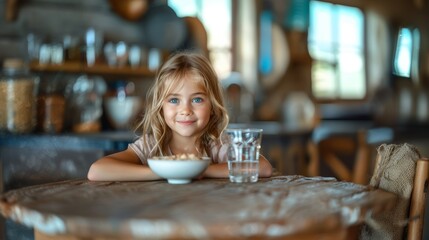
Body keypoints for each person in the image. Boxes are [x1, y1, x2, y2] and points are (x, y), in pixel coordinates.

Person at [87, 52, 273, 181]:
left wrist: (202, 170)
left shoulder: (217, 145)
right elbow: (96, 171)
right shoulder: (151, 146)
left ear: (213, 106)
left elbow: (263, 167)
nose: (185, 110)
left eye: (197, 99)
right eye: (174, 100)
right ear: (161, 107)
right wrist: (164, 172)